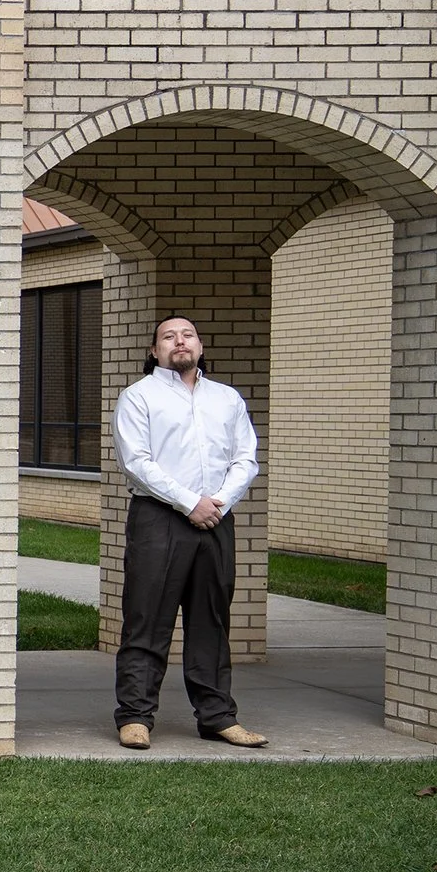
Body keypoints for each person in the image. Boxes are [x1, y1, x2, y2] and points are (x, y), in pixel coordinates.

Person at [111, 315, 268, 750]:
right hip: (159, 519)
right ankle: (136, 716)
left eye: (187, 335)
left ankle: (217, 716)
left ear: (199, 345)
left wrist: (217, 501)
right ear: (154, 351)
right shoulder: (138, 397)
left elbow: (246, 458)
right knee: (147, 618)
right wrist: (189, 502)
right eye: (168, 336)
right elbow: (137, 463)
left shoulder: (227, 399)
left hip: (216, 518)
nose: (179, 341)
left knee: (212, 621)